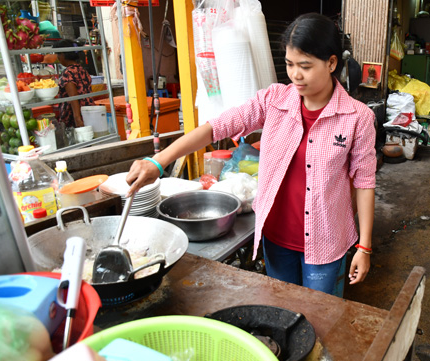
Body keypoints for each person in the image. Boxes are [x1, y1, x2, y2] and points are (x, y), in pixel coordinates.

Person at [126, 13, 377, 295]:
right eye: (290, 64)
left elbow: (364, 182)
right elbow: (216, 128)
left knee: (318, 319)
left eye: (305, 66)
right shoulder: (273, 100)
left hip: (326, 241)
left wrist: (364, 246)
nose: (295, 75)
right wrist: (158, 161)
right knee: (284, 312)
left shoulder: (358, 118)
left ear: (331, 63)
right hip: (277, 239)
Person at [52, 39, 95, 128]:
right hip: (89, 113)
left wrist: (77, 118)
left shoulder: (68, 73)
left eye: (58, 54)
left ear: (63, 54)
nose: (58, 58)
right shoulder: (82, 70)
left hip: (73, 116)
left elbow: (74, 97)